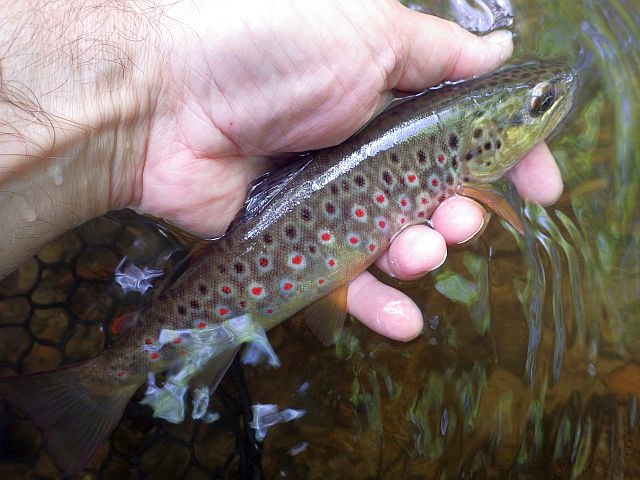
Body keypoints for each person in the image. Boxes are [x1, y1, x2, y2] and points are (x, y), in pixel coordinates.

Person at [0, 0, 563, 341]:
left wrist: (147, 102)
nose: (560, 94)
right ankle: (108, 378)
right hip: (243, 256)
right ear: (480, 141)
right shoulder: (466, 168)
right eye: (540, 104)